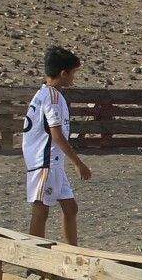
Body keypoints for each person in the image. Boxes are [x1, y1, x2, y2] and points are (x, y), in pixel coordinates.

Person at [23, 45, 92, 245]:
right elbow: (57, 134)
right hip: (46, 162)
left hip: (53, 163)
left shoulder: (43, 94)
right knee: (41, 209)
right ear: (63, 73)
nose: (74, 79)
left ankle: (73, 254)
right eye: (73, 74)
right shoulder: (52, 98)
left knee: (70, 208)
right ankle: (33, 261)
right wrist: (78, 163)